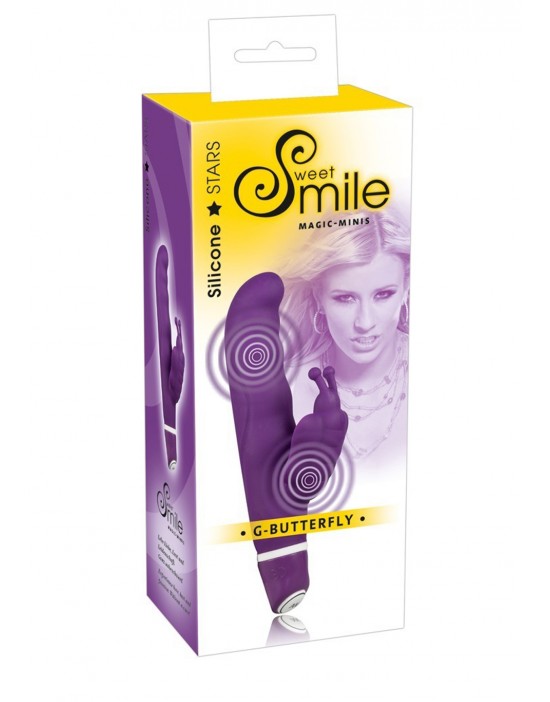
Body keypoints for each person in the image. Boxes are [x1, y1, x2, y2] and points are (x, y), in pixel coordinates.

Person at [280, 210, 410, 473]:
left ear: (406, 290)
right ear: (319, 298)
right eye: (345, 298)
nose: (365, 322)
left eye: (383, 294)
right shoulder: (287, 383)